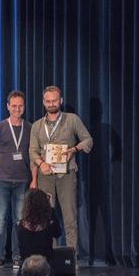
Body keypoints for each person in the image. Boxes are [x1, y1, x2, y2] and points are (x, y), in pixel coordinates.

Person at [29, 85, 93, 253]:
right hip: (45, 175)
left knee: (69, 218)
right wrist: (40, 163)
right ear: (43, 102)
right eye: (48, 101)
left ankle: (71, 257)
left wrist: (75, 149)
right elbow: (32, 150)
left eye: (54, 101)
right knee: (45, 218)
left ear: (61, 101)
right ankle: (48, 255)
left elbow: (88, 140)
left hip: (66, 174)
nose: (51, 104)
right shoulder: (37, 125)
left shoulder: (72, 120)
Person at [0, 90, 36, 269]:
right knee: (0, 219)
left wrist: (34, 180)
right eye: (13, 105)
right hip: (1, 180)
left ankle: (17, 257)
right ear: (8, 106)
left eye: (20, 105)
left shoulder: (30, 128)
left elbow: (33, 156)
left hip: (22, 180)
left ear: (24, 106)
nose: (17, 109)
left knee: (19, 220)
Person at [13, 188, 61, 276]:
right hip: (45, 269)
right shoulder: (49, 225)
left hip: (25, 269)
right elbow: (58, 233)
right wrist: (51, 209)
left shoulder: (20, 225)